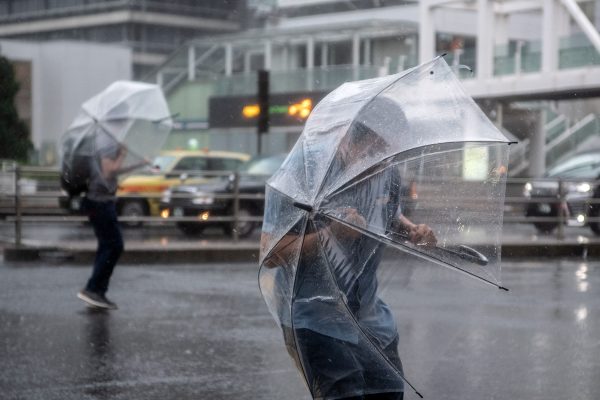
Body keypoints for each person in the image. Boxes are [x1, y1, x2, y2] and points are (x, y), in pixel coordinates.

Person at [262, 110, 436, 400]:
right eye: (376, 150)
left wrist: (413, 231)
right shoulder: (305, 172)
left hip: (371, 321)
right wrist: (329, 235)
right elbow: (270, 253)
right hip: (316, 318)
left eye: (390, 152)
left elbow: (389, 217)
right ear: (350, 141)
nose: (384, 162)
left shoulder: (388, 171)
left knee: (389, 393)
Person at [77, 132, 149, 310]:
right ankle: (93, 288)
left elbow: (112, 170)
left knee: (106, 245)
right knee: (115, 245)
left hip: (98, 200)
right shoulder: (107, 140)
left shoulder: (105, 139)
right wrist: (123, 153)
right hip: (100, 202)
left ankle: (98, 291)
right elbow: (108, 171)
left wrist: (139, 164)